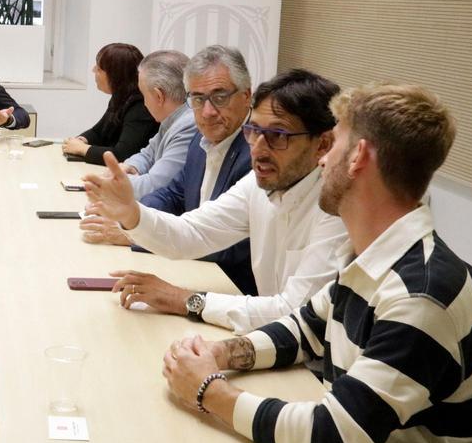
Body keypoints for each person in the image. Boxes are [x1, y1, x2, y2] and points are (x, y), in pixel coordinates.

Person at [158, 84, 472, 443]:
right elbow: (304, 329)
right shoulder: (377, 252)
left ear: (358, 157)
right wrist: (221, 353)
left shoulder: (419, 297)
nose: (322, 160)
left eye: (334, 145)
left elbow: (331, 439)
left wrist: (207, 391)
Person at [84, 68, 351, 334]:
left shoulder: (338, 205)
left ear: (323, 145)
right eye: (254, 131)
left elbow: (295, 313)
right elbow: (193, 232)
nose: (257, 148)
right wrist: (132, 214)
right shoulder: (259, 183)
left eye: (277, 135)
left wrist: (183, 299)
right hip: (270, 340)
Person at [81, 45, 255, 294]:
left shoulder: (256, 155)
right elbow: (172, 194)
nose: (208, 111)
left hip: (232, 289)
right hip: (194, 272)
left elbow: (233, 245)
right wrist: (130, 213)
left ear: (246, 96)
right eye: (197, 98)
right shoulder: (201, 140)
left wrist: (134, 233)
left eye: (219, 97)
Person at [115, 49, 197, 199]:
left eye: (144, 95)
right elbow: (147, 154)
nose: (144, 103)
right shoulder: (173, 118)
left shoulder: (189, 125)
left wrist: (115, 182)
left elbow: (154, 187)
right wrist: (131, 167)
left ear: (159, 96)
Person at [62, 43, 157, 164]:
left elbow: (122, 154)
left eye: (99, 69)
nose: (93, 70)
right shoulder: (121, 96)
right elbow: (98, 132)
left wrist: (83, 149)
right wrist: (81, 140)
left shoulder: (140, 106)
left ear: (116, 76)